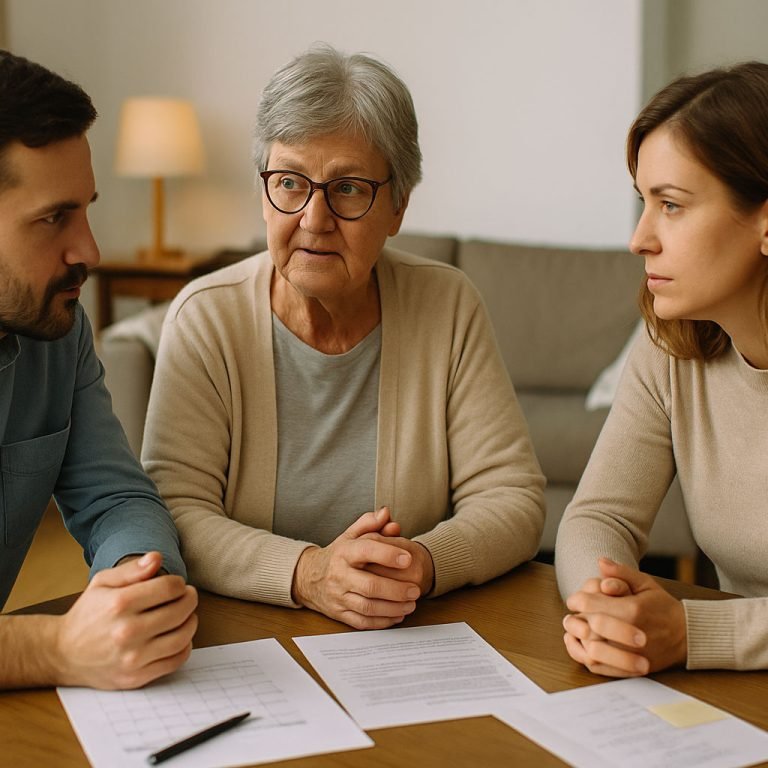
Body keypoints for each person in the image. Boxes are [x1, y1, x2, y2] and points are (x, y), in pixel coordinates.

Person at [142, 44, 545, 630]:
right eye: (289, 182)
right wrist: (310, 574)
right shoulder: (206, 318)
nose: (313, 218)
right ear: (264, 192)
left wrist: (422, 564)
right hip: (245, 632)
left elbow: (512, 498)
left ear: (398, 205)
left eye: (349, 188)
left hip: (405, 633)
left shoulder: (447, 305)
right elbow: (175, 511)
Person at [556, 60, 768, 674]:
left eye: (671, 205)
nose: (640, 238)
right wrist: (605, 607)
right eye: (644, 203)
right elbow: (600, 516)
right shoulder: (672, 347)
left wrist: (694, 631)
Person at [0, 50, 197, 689]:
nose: (90, 250)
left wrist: (142, 586)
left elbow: (115, 498)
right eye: (55, 218)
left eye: (85, 208)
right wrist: (53, 648)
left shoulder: (58, 330)